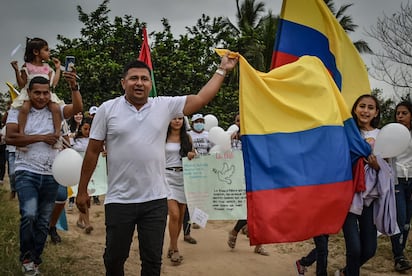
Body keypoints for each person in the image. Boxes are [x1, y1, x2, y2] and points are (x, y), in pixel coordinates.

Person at [76, 54, 238, 276]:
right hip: (119, 200)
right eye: (133, 78)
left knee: (152, 261)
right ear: (123, 83)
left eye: (144, 78)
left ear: (150, 83)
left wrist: (222, 70)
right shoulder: (107, 109)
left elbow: (200, 99)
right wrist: (82, 190)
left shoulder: (164, 106)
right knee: (114, 258)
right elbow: (93, 151)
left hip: (154, 200)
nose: (139, 83)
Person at [5, 71, 82, 275]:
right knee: (29, 214)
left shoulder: (55, 109)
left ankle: (34, 261)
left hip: (51, 174)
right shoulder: (18, 110)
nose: (41, 97)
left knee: (44, 220)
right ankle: (26, 256)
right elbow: (11, 138)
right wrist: (40, 138)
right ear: (29, 93)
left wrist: (74, 87)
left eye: (45, 93)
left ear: (50, 93)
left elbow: (78, 108)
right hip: (26, 171)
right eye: (37, 93)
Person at [336, 94, 396, 276]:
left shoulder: (382, 136)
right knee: (354, 249)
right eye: (362, 106)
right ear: (355, 109)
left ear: (377, 112)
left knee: (369, 249)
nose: (365, 110)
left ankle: (347, 271)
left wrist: (379, 166)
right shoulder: (346, 131)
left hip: (370, 200)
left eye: (371, 107)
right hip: (348, 197)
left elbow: (389, 169)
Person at [227, 113, 269, 256]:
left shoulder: (255, 137)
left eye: (242, 120)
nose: (240, 122)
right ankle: (235, 231)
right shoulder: (233, 138)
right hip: (241, 179)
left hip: (257, 176)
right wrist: (229, 141)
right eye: (237, 120)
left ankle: (259, 245)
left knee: (261, 210)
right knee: (249, 210)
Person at [10, 37, 64, 149]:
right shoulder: (27, 66)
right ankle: (22, 135)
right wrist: (16, 71)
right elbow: (21, 84)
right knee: (25, 108)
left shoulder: (47, 67)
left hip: (44, 93)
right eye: (46, 50)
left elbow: (53, 83)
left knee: (55, 108)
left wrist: (58, 69)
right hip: (29, 94)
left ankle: (57, 134)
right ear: (36, 52)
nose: (49, 52)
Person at [165, 116, 196, 265]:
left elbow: (193, 155)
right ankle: (176, 249)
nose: (177, 121)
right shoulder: (162, 136)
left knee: (182, 213)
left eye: (180, 118)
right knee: (174, 214)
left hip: (184, 178)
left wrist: (192, 155)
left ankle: (172, 245)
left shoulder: (187, 137)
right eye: (173, 118)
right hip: (166, 177)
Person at [389, 101, 412, 272]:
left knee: (406, 222)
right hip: (397, 180)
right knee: (399, 217)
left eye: (404, 113)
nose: (400, 116)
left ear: (411, 116)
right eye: (398, 113)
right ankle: (399, 256)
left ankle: (400, 251)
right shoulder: (390, 133)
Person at [182, 113, 212, 243]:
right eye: (197, 121)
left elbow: (213, 151)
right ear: (192, 123)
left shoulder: (208, 135)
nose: (199, 123)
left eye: (201, 121)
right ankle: (187, 231)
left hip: (204, 171)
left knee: (202, 196)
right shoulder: (188, 136)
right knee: (189, 198)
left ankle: (198, 219)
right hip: (191, 171)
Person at [72, 117, 94, 234]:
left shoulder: (94, 140)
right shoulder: (74, 140)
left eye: (90, 129)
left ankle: (81, 221)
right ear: (80, 129)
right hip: (78, 171)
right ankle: (87, 224)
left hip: (92, 172)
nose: (88, 131)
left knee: (87, 197)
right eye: (85, 129)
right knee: (82, 196)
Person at [66, 111, 84, 211]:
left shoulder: (86, 126)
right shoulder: (68, 127)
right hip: (73, 156)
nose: (78, 116)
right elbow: (69, 142)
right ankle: (71, 200)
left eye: (80, 114)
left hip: (84, 156)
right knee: (73, 179)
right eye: (76, 114)